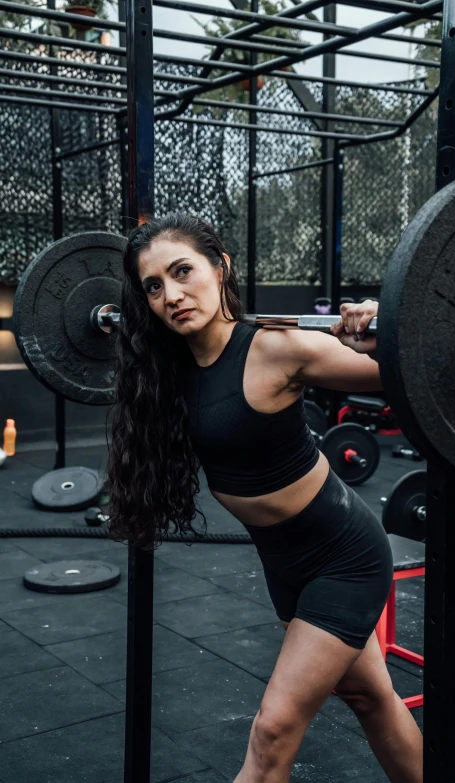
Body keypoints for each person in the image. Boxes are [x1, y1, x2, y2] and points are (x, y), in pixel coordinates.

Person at [107, 212, 423, 783]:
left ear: (220, 266)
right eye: (153, 286)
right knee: (372, 698)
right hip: (284, 565)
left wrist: (388, 326)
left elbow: (411, 371)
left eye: (183, 272)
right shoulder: (166, 368)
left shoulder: (278, 347)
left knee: (271, 731)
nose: (171, 295)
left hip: (343, 557)